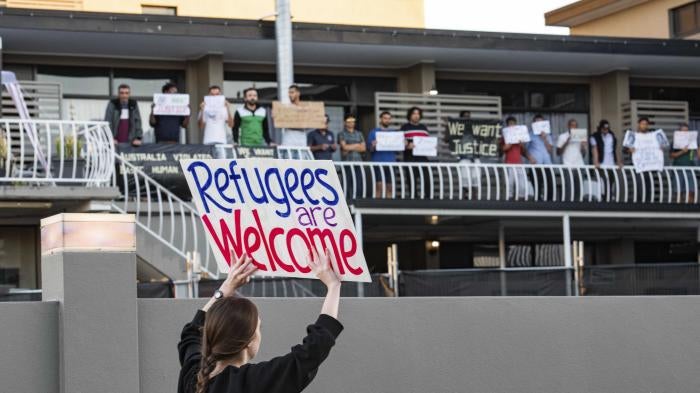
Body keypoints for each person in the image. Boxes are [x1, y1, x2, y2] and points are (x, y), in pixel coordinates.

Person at [178, 251, 343, 393]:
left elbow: (192, 332)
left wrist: (227, 287)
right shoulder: (254, 382)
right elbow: (311, 353)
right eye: (258, 327)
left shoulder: (193, 378)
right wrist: (334, 285)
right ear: (249, 341)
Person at [625, 117, 667, 202]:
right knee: (639, 186)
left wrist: (660, 148)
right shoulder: (634, 136)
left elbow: (661, 146)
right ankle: (640, 204)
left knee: (648, 185)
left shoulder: (653, 136)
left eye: (646, 124)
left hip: (649, 166)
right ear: (639, 125)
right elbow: (625, 149)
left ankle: (648, 203)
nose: (644, 126)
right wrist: (629, 150)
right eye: (642, 124)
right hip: (639, 166)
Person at [589, 119, 623, 200]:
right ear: (600, 128)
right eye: (604, 129)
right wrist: (596, 162)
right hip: (601, 164)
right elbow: (595, 149)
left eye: (607, 129)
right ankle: (603, 198)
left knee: (611, 181)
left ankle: (610, 197)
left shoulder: (612, 136)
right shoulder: (595, 136)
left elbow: (615, 150)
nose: (605, 130)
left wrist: (618, 162)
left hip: (611, 164)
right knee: (602, 182)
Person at [501, 116, 534, 199]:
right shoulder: (504, 136)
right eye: (510, 124)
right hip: (508, 163)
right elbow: (501, 150)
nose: (512, 125)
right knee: (510, 183)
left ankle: (521, 199)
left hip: (519, 162)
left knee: (522, 183)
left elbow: (523, 150)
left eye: (513, 123)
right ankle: (509, 199)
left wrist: (521, 145)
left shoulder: (520, 135)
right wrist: (509, 144)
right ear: (507, 125)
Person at [366, 111, 397, 198]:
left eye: (388, 118)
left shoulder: (394, 133)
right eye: (385, 118)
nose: (387, 120)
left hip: (391, 162)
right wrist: (373, 145)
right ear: (381, 119)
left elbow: (399, 148)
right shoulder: (373, 132)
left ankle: (390, 209)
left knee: (390, 187)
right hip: (378, 162)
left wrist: (403, 143)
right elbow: (369, 149)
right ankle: (376, 208)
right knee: (379, 186)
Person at [556, 119, 587, 200]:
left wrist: (583, 146)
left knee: (579, 189)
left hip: (579, 165)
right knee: (569, 189)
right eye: (572, 125)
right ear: (568, 126)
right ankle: (568, 208)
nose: (574, 127)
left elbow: (583, 154)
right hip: (568, 165)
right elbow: (558, 152)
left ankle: (578, 209)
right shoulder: (562, 136)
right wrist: (567, 142)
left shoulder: (580, 136)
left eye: (575, 126)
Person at [198, 85, 233, 157]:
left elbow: (231, 124)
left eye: (217, 94)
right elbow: (200, 126)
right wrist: (202, 110)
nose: (215, 97)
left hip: (221, 141)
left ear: (220, 95)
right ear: (208, 95)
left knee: (222, 164)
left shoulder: (224, 108)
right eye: (212, 94)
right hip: (208, 141)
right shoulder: (204, 107)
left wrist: (228, 109)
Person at [338, 114, 366, 198]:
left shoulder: (359, 133)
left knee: (358, 182)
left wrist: (350, 146)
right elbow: (344, 147)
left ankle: (358, 199)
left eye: (353, 121)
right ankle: (347, 200)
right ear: (345, 123)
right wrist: (357, 145)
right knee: (347, 182)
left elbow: (363, 148)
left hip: (358, 162)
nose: (351, 123)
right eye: (349, 121)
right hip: (347, 162)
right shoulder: (341, 134)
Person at [527, 114, 554, 200]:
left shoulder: (548, 135)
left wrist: (545, 139)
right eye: (537, 123)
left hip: (547, 165)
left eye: (541, 123)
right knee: (537, 186)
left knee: (550, 185)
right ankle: (537, 206)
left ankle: (550, 206)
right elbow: (524, 149)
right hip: (535, 164)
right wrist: (530, 157)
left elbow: (550, 150)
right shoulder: (529, 135)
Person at [669, 122, 698, 203]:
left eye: (687, 131)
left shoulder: (693, 142)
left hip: (690, 169)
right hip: (678, 169)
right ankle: (679, 210)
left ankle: (691, 210)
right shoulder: (675, 142)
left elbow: (698, 155)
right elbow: (671, 155)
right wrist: (682, 151)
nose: (685, 133)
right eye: (683, 131)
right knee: (678, 191)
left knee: (691, 191)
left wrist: (697, 147)